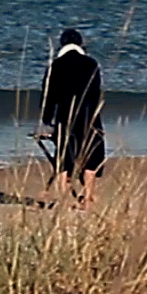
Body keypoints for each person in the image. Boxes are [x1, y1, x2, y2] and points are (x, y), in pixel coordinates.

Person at [37, 27, 106, 208]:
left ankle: (63, 197)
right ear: (81, 44)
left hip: (65, 116)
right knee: (91, 155)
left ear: (62, 44)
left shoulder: (55, 65)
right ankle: (88, 197)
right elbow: (96, 92)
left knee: (63, 156)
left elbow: (48, 96)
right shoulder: (91, 64)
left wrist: (46, 119)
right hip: (89, 115)